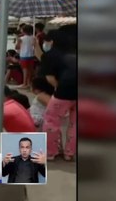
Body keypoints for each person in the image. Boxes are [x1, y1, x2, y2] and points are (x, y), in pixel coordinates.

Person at [36, 29, 77, 161]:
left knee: (51, 120)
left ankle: (51, 152)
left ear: (52, 41)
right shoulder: (74, 52)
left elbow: (50, 78)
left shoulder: (51, 55)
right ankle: (69, 153)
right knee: (75, 123)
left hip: (63, 92)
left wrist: (58, 89)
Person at [16, 25, 35, 89]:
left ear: (23, 31)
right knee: (29, 70)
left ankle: (24, 84)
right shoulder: (33, 37)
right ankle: (29, 83)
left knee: (24, 70)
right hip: (31, 56)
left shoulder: (21, 38)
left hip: (24, 56)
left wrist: (17, 40)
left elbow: (17, 47)